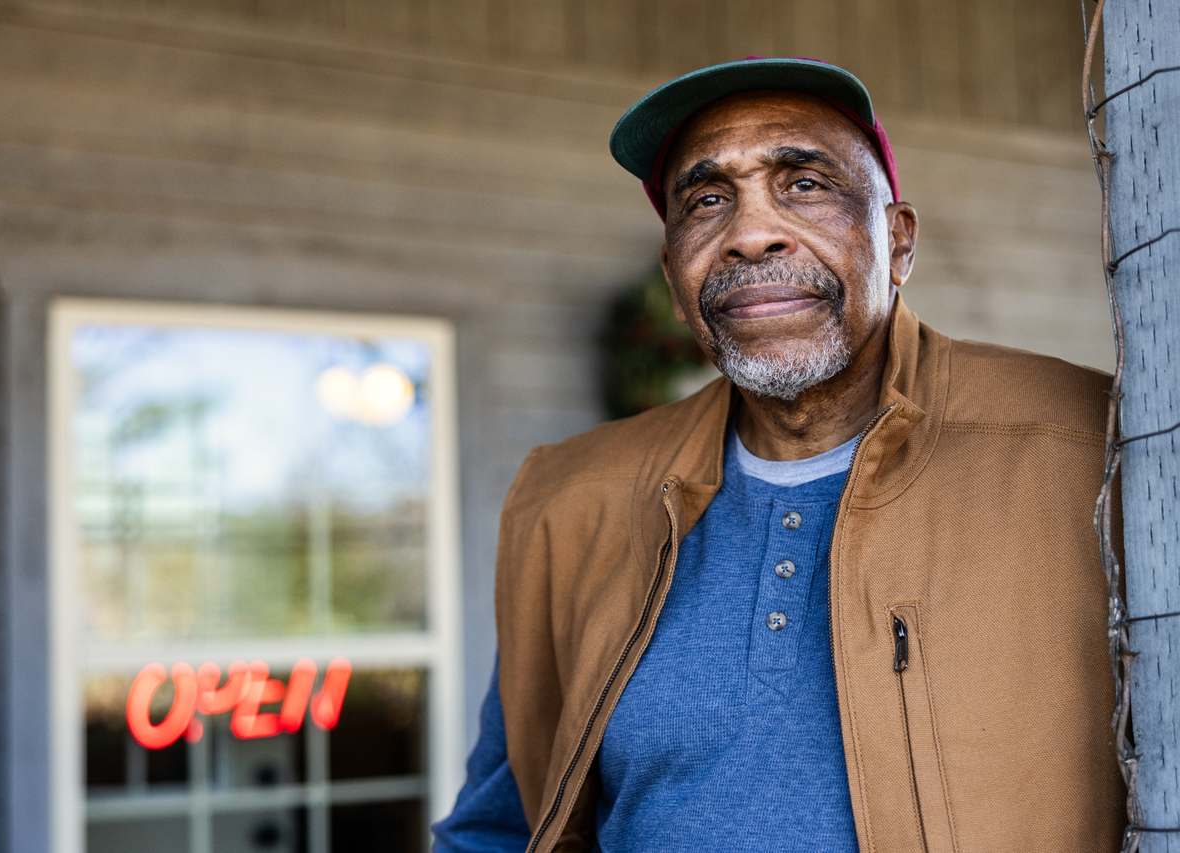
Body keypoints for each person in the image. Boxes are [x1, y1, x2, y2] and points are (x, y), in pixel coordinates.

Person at [432, 56, 1124, 852]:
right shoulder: (573, 501)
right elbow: (495, 829)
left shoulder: (1093, 449)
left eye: (804, 184)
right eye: (707, 200)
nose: (750, 233)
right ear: (673, 274)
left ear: (898, 242)